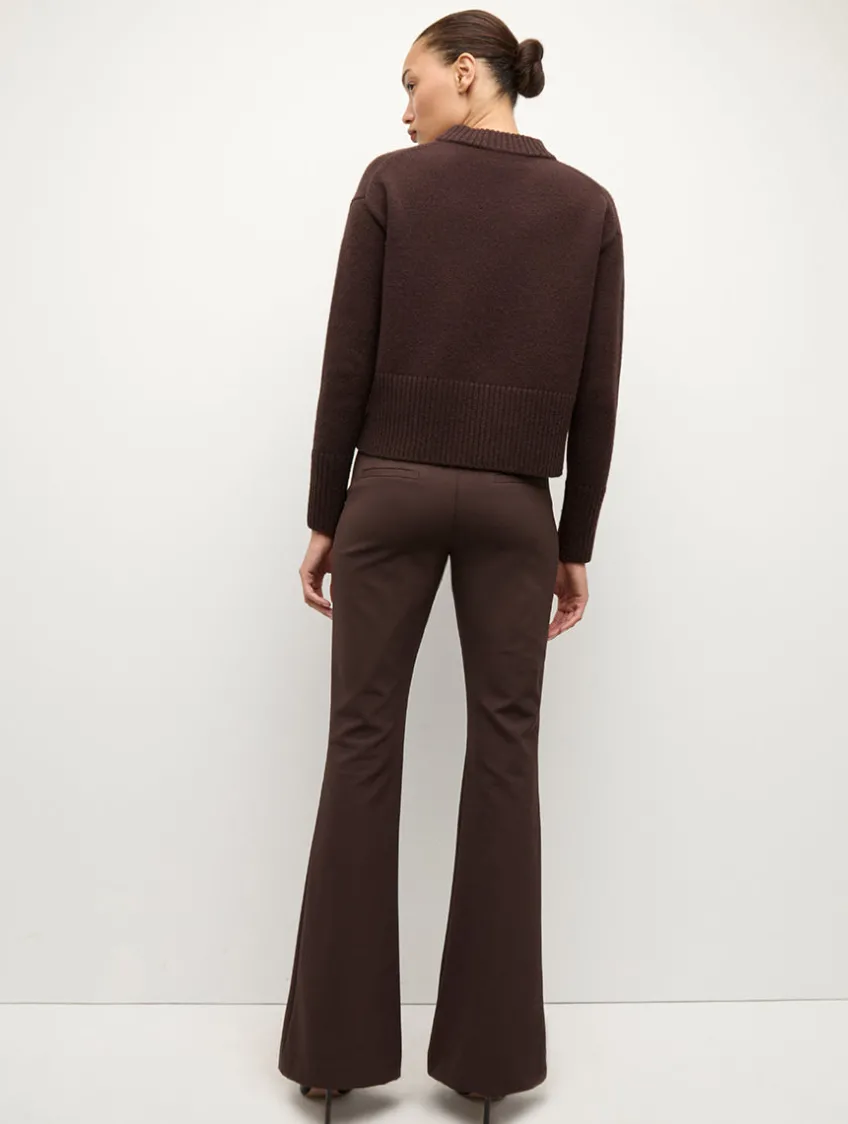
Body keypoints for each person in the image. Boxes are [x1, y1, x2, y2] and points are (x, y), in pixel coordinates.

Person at [277, 9, 625, 1122]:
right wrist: (574, 540)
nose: (404, 105)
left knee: (361, 743)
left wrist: (326, 512)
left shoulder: (392, 185)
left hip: (388, 494)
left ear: (466, 74)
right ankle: (487, 1066)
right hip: (519, 508)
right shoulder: (587, 208)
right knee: (506, 756)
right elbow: (597, 394)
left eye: (412, 80)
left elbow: (347, 358)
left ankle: (333, 1058)